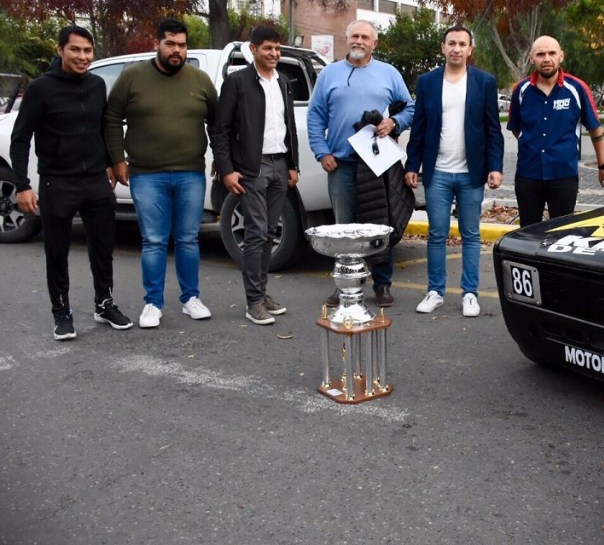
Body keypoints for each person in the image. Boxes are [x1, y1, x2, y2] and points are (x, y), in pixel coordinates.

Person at [10, 25, 133, 340]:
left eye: (88, 51)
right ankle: (61, 312)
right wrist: (23, 185)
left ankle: (103, 302)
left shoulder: (96, 86)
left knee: (103, 247)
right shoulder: (41, 89)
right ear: (60, 50)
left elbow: (100, 129)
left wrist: (108, 162)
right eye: (75, 50)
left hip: (94, 180)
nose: (82, 57)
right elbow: (20, 139)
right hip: (57, 182)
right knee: (57, 250)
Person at [104, 18, 218, 329]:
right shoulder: (132, 77)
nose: (177, 50)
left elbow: (218, 124)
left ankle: (190, 298)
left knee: (188, 239)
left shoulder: (201, 80)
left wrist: (222, 161)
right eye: (170, 43)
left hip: (190, 173)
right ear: (157, 44)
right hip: (146, 173)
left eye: (182, 45)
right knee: (153, 240)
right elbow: (112, 117)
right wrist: (117, 159)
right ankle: (152, 303)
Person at [307, 19, 415, 308]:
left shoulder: (389, 74)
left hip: (377, 164)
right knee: (345, 230)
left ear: (374, 44)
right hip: (341, 164)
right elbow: (315, 116)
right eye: (354, 35)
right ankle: (346, 284)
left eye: (365, 37)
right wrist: (321, 151)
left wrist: (394, 123)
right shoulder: (329, 74)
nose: (359, 40)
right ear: (346, 39)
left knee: (380, 225)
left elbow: (411, 108)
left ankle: (382, 284)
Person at [405, 26, 503, 317]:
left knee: (470, 234)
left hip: (471, 173)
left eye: (462, 44)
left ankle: (470, 294)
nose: (456, 48)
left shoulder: (484, 82)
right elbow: (419, 127)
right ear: (443, 47)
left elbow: (492, 129)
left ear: (470, 49)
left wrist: (495, 167)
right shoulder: (428, 82)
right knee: (437, 233)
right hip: (438, 172)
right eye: (451, 43)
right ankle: (435, 291)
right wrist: (413, 165)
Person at [211, 26, 299, 326]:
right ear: (253, 49)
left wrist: (293, 164)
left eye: (277, 48)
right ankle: (253, 302)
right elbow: (220, 130)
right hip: (251, 168)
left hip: (279, 164)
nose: (274, 53)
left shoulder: (284, 82)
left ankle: (262, 293)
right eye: (267, 48)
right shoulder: (237, 82)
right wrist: (226, 169)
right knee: (256, 233)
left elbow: (289, 127)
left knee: (269, 232)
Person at [507, 35, 604, 226]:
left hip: (563, 176)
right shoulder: (521, 90)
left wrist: (603, 166)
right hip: (528, 175)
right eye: (541, 54)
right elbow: (516, 128)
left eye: (552, 53)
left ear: (561, 56)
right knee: (528, 234)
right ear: (532, 58)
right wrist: (531, 142)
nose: (547, 59)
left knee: (561, 232)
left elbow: (595, 129)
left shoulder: (576, 88)